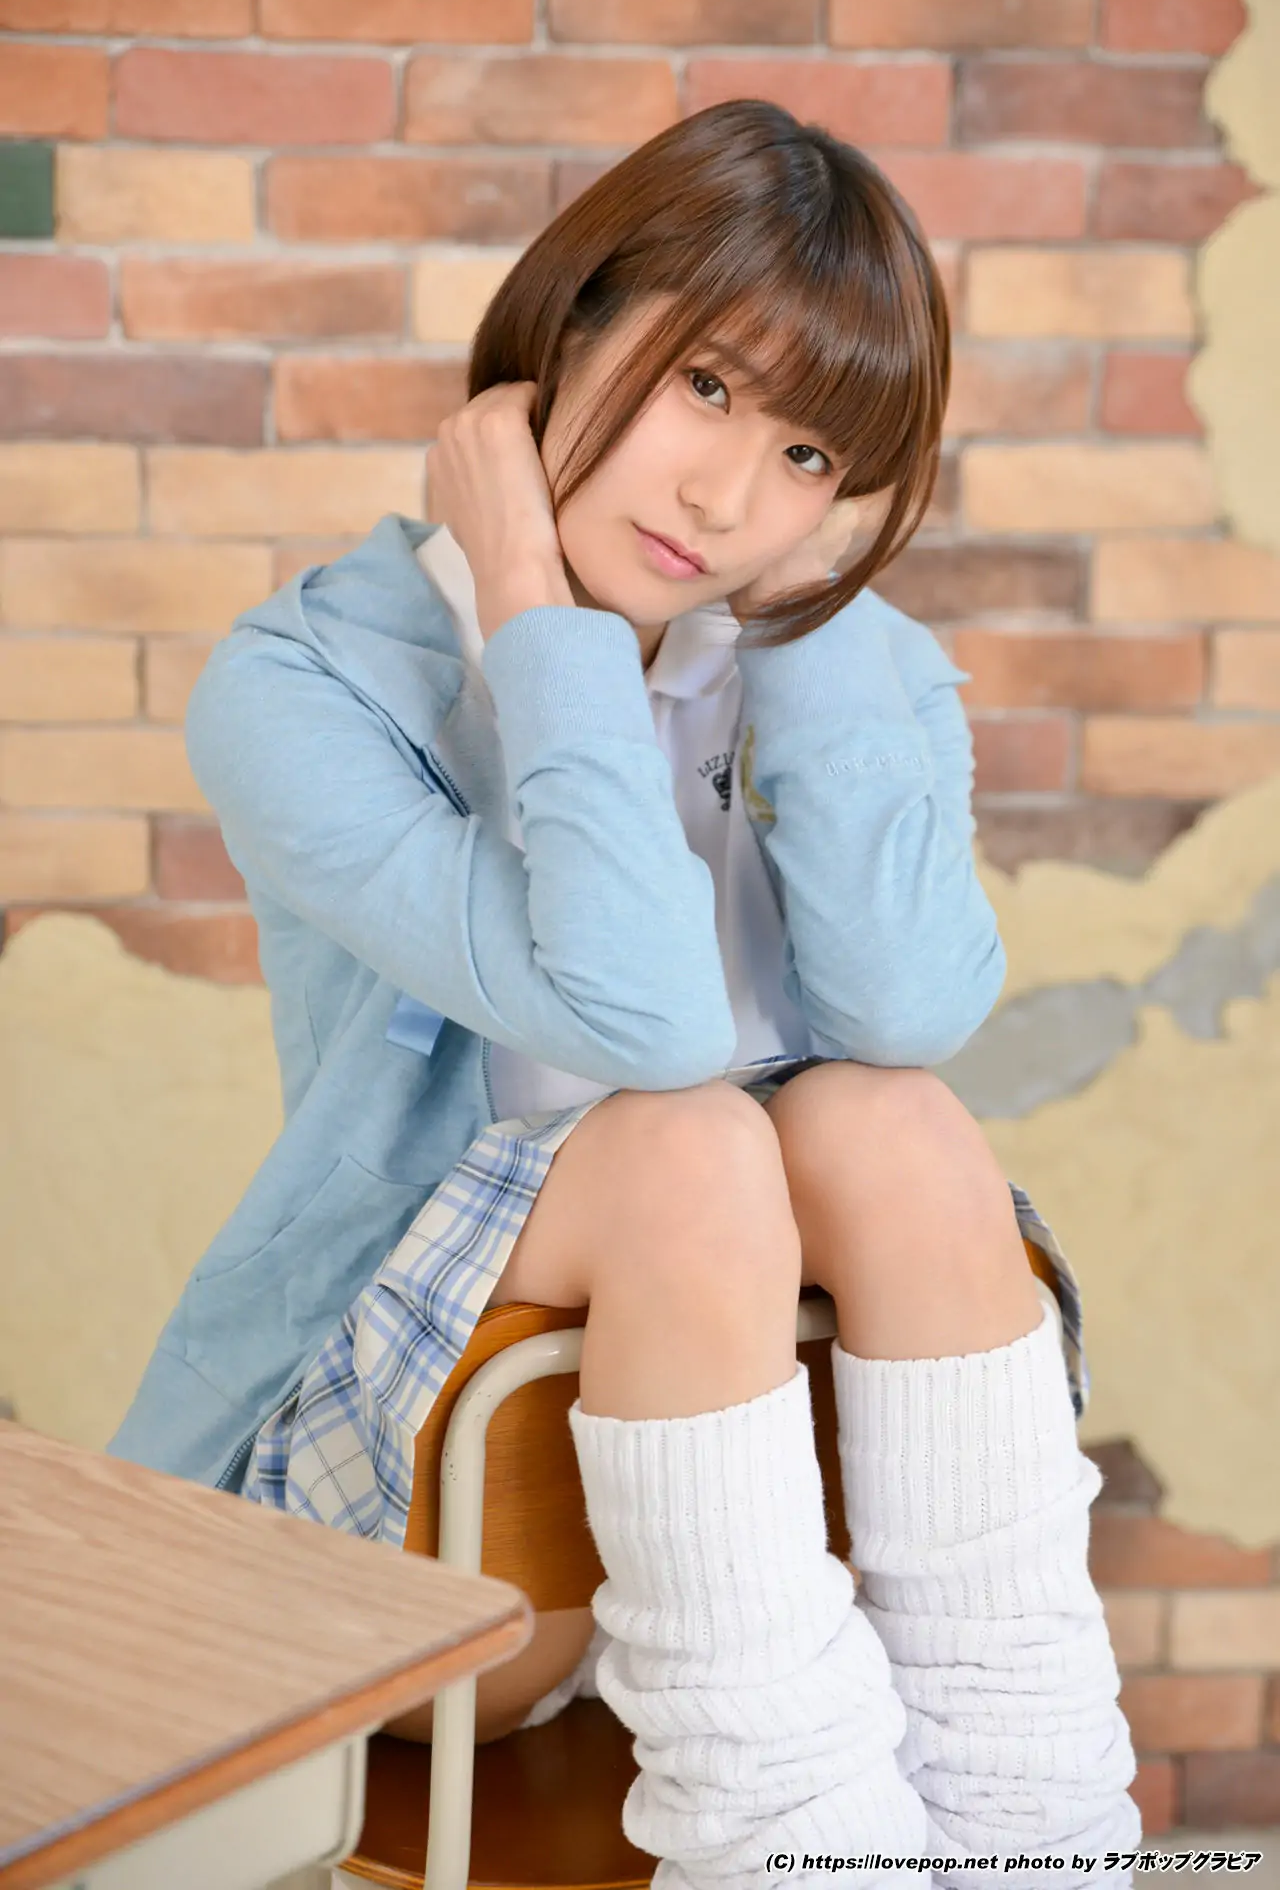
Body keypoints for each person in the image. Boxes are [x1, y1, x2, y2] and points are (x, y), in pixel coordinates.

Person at [107, 101, 1141, 1885]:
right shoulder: (305, 687)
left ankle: (1040, 1840)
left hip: (781, 1513)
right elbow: (645, 1026)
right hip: (433, 1516)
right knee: (689, 1146)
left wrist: (809, 630)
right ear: (572, 320)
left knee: (889, 1120)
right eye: (705, 386)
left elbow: (910, 1009)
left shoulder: (855, 660)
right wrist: (537, 611)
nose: (725, 498)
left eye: (809, 454)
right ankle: (796, 1856)